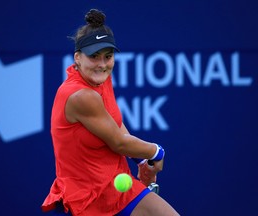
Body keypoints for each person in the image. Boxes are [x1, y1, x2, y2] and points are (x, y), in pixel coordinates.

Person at [41, 8, 179, 216]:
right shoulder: (80, 95)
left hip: (116, 185)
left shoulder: (100, 79)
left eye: (108, 56)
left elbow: (115, 127)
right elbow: (119, 142)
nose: (103, 64)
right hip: (88, 198)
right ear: (77, 58)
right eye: (94, 57)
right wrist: (156, 152)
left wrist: (140, 162)